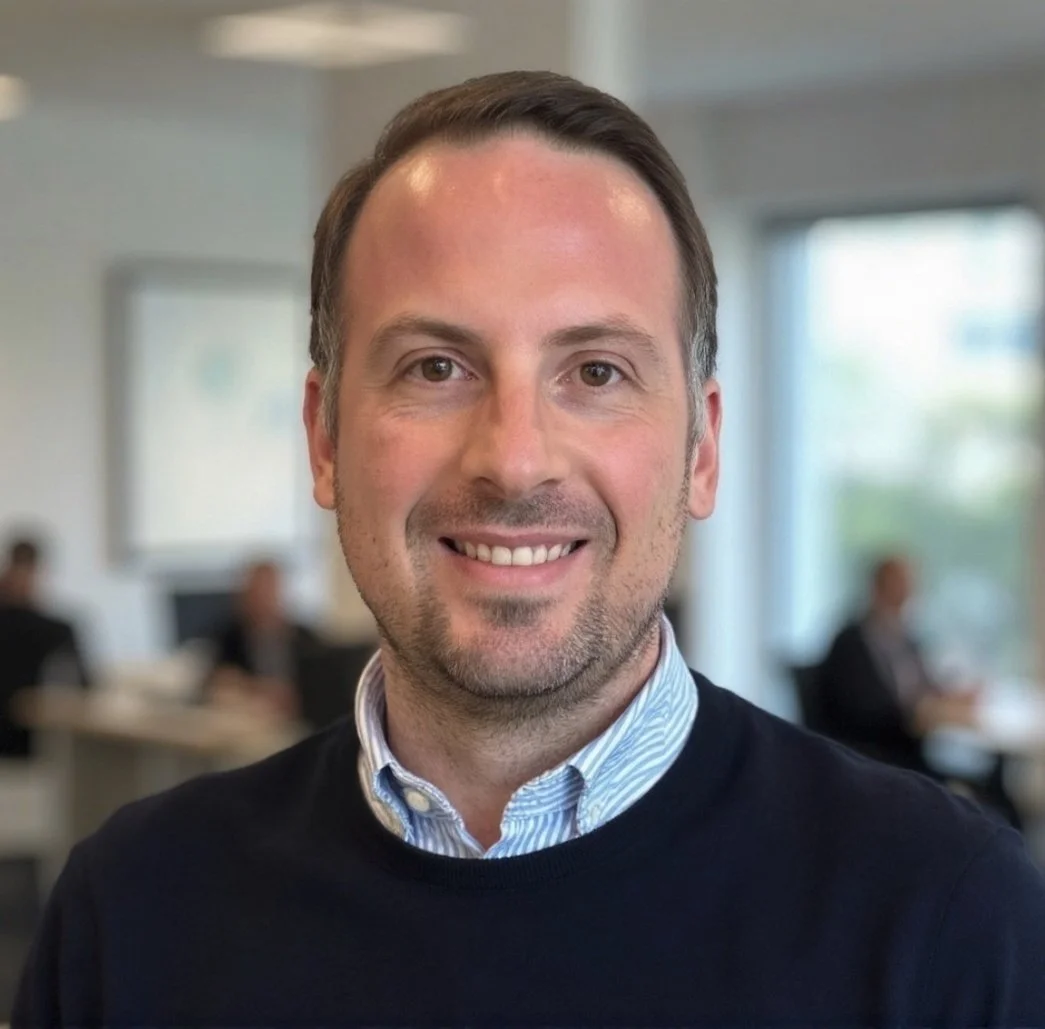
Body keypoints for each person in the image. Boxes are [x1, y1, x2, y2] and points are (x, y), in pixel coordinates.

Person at [14, 72, 1045, 1027]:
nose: (512, 461)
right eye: (434, 367)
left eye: (595, 372)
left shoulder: (947, 918)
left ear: (701, 451)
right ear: (324, 440)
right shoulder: (133, 911)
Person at [819, 554, 1022, 824]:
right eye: (899, 582)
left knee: (995, 790)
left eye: (910, 583)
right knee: (986, 799)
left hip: (914, 751)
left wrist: (952, 696)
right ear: (877, 586)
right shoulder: (851, 641)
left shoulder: (904, 636)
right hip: (879, 757)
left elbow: (924, 685)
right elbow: (862, 708)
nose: (907, 590)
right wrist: (918, 712)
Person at [0, 536, 89, 760]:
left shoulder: (55, 628)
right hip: (26, 740)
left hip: (26, 736)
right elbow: (85, 683)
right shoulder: (57, 629)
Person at [202, 560, 320, 721]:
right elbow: (216, 680)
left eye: (268, 589)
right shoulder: (228, 636)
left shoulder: (305, 638)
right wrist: (256, 688)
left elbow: (318, 685)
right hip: (246, 719)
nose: (262, 597)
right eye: (257, 590)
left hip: (296, 720)